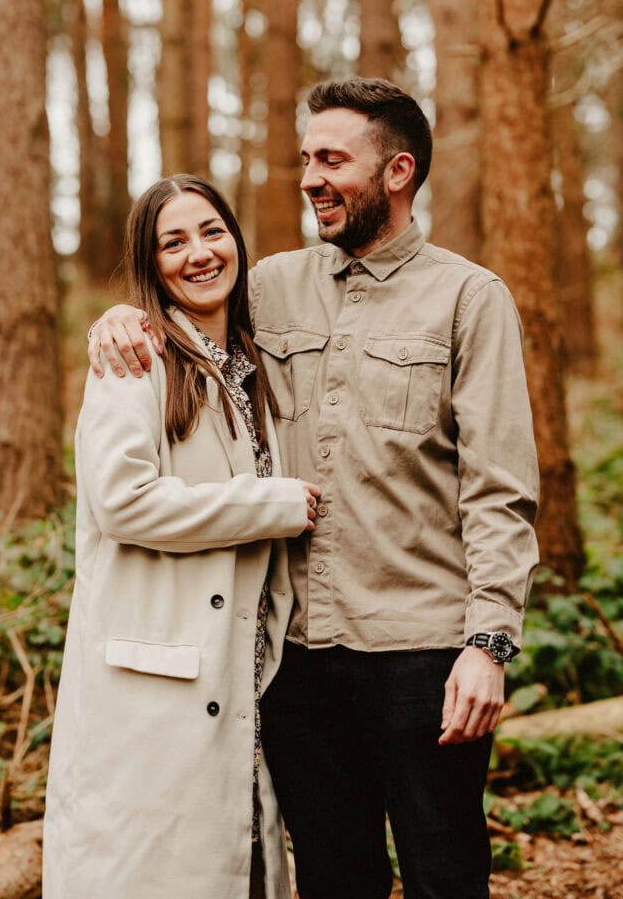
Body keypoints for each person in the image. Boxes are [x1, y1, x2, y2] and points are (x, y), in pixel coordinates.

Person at [87, 78, 540, 899]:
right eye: (305, 160)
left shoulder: (469, 299)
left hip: (423, 655)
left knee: (445, 876)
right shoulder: (271, 286)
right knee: (333, 881)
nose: (308, 179)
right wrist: (119, 318)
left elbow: (499, 492)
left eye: (331, 160)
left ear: (396, 172)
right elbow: (185, 306)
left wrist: (488, 645)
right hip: (296, 661)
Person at [43, 174, 321, 899]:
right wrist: (270, 504)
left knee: (241, 869)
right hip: (156, 691)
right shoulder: (134, 359)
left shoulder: (253, 365)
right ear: (150, 261)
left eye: (212, 231)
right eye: (173, 242)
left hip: (246, 680)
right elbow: (123, 502)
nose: (199, 253)